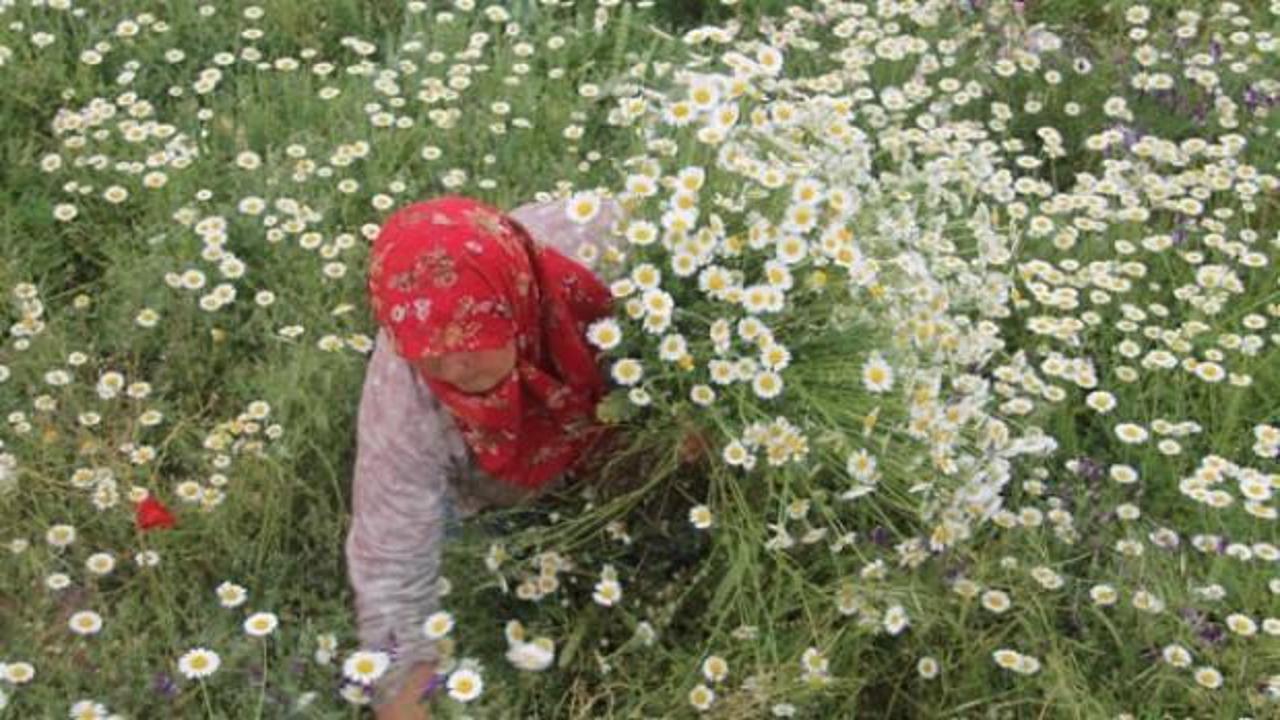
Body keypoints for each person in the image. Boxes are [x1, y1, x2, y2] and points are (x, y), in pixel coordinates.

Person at [345, 193, 630, 720]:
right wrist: (405, 696)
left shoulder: (605, 249)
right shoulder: (404, 394)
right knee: (469, 558)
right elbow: (391, 557)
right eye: (430, 350)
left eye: (472, 335)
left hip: (619, 428)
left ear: (514, 297)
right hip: (495, 493)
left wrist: (690, 420)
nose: (455, 368)